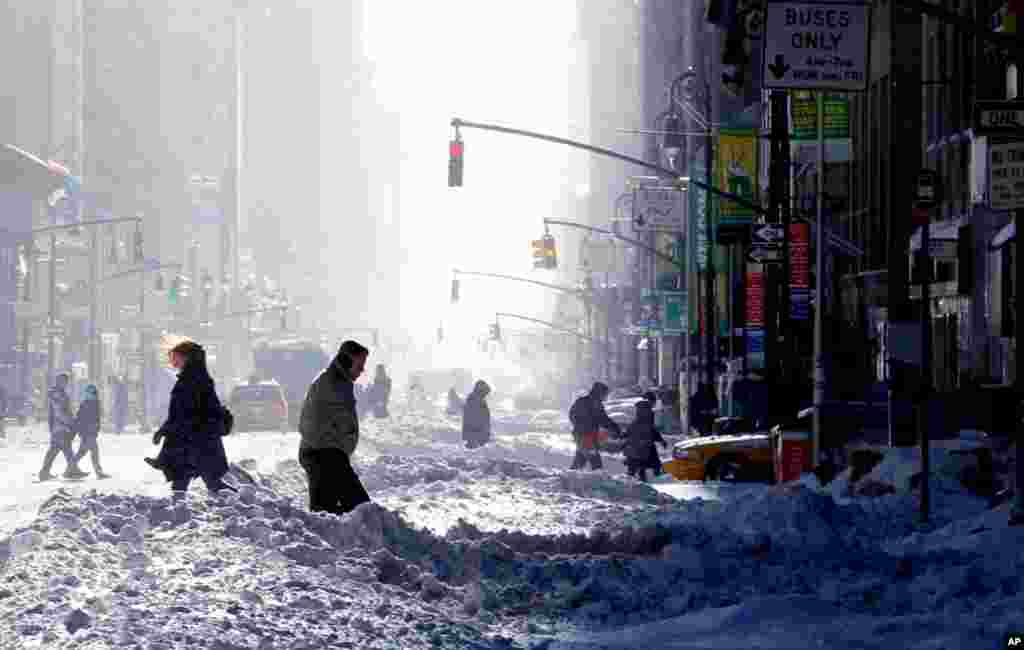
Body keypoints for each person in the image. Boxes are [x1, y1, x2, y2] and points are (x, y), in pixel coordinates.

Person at [146, 339, 236, 497]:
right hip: (196, 438)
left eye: (176, 357)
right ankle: (178, 507)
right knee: (187, 476)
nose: (172, 361)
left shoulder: (193, 380)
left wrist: (164, 430)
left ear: (188, 358)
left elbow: (183, 412)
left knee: (204, 479)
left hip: (196, 438)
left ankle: (241, 501)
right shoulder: (193, 378)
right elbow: (180, 412)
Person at [298, 340, 371, 516]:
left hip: (326, 454)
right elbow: (309, 423)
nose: (362, 370)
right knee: (360, 511)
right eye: (359, 365)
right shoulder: (331, 384)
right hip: (324, 455)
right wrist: (333, 451)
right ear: (346, 361)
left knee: (328, 513)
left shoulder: (337, 382)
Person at [39, 373, 87, 480]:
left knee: (57, 449)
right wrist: (69, 422)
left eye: (65, 382)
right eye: (63, 381)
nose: (65, 384)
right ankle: (72, 470)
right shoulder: (56, 394)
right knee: (64, 448)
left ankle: (46, 472)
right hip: (60, 426)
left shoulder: (59, 393)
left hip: (60, 425)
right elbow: (58, 412)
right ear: (58, 381)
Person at [568, 382, 621, 471]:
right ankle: (598, 482)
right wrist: (582, 425)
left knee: (580, 460)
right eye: (604, 394)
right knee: (596, 463)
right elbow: (603, 419)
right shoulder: (592, 403)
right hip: (585, 436)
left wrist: (615, 428)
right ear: (599, 392)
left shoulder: (585, 401)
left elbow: (603, 419)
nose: (605, 397)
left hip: (584, 436)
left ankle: (568, 478)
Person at [623, 400, 667, 482]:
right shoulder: (642, 421)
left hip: (641, 450)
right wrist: (661, 440)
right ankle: (657, 481)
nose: (650, 411)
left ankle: (642, 481)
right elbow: (652, 432)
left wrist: (661, 440)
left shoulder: (638, 422)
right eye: (648, 409)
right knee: (652, 466)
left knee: (639, 469)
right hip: (643, 449)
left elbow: (652, 432)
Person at [71, 384, 110, 479]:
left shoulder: (92, 403)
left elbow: (94, 419)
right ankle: (98, 472)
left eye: (95, 393)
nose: (95, 394)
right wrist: (82, 432)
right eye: (93, 393)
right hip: (88, 433)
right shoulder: (88, 404)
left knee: (82, 452)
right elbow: (81, 419)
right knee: (94, 452)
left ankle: (70, 468)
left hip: (89, 433)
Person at [462, 380, 492, 449]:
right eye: (485, 392)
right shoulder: (475, 400)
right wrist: (477, 436)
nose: (486, 395)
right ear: (481, 390)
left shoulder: (478, 399)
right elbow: (473, 420)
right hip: (475, 437)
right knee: (474, 454)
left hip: (478, 436)